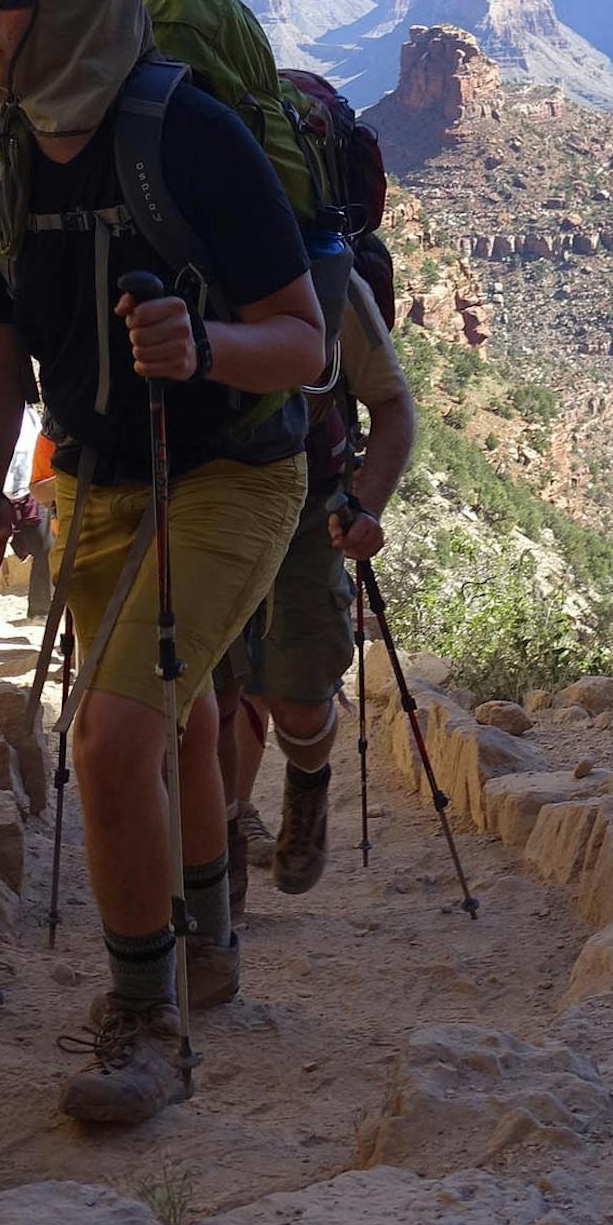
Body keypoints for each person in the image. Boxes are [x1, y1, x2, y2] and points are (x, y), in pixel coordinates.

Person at [0, 0, 324, 1126]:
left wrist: (201, 345)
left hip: (236, 474)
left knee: (109, 739)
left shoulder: (194, 138)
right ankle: (205, 941)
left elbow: (306, 346)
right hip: (98, 475)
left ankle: (144, 1024)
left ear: (77, 7)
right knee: (177, 720)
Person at [217, 270, 416, 913]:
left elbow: (392, 405)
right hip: (199, 501)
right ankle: (217, 855)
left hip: (309, 509)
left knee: (297, 694)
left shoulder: (330, 279)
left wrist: (367, 507)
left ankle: (306, 783)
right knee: (210, 693)